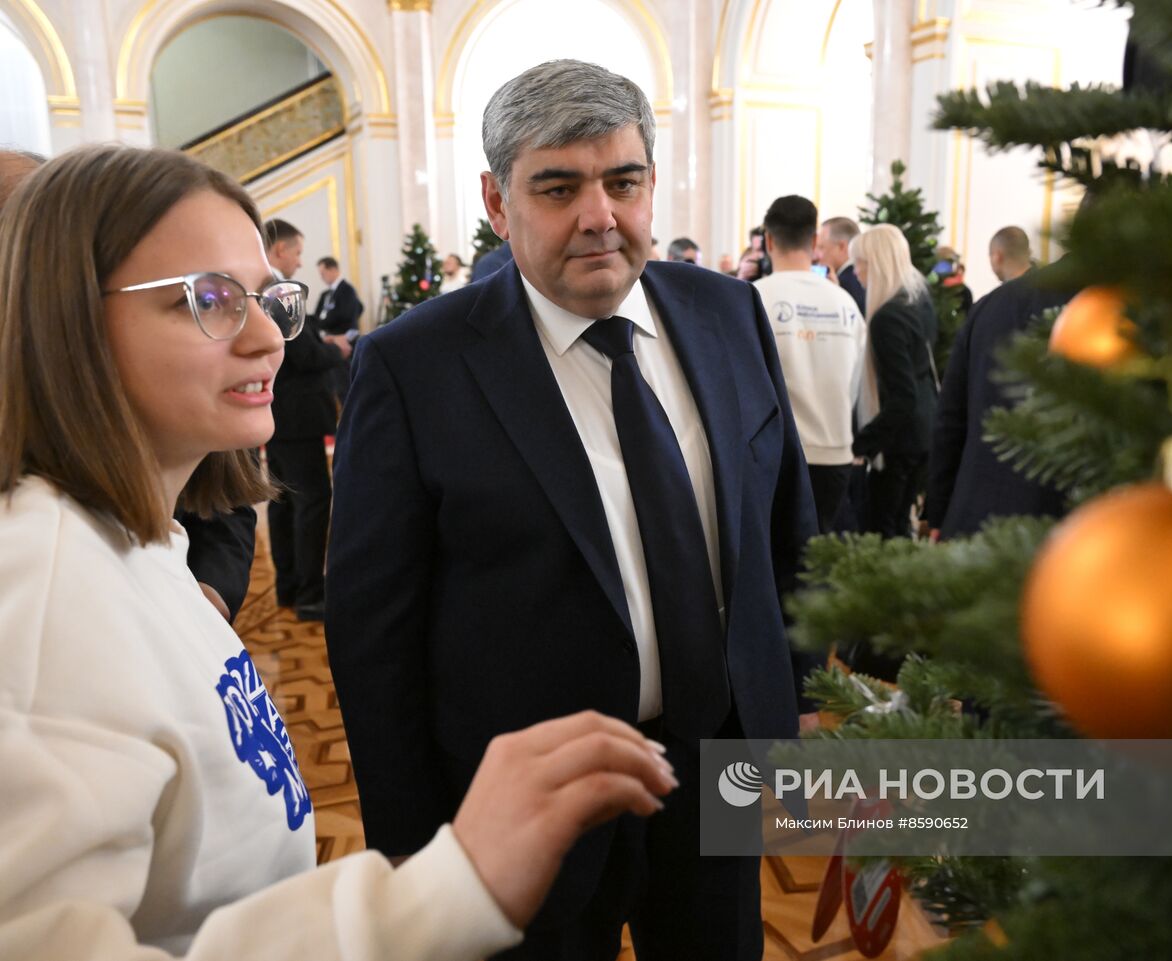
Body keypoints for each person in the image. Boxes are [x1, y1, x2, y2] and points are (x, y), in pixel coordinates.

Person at [0, 143, 675, 960]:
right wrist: (442, 888)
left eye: (266, 299)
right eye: (207, 299)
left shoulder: (133, 547)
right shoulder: (43, 586)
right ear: (65, 317)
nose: (267, 339)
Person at [326, 59, 817, 961]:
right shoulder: (413, 367)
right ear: (497, 201)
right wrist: (418, 857)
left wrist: (809, 692)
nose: (600, 215)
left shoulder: (728, 312)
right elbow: (373, 635)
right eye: (559, 186)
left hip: (723, 767)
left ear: (650, 186)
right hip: (527, 809)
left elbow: (785, 525)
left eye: (622, 181)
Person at [1, 146, 259, 623]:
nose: (267, 338)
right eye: (203, 299)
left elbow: (220, 498)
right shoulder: (43, 575)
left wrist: (197, 596)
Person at [924, 226, 1073, 540]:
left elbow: (951, 417)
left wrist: (938, 510)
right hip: (1079, 534)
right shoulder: (1146, 313)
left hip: (979, 517)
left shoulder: (990, 307)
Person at [753, 195, 866, 532]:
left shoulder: (752, 296)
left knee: (777, 567)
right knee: (818, 560)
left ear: (769, 240)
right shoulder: (845, 302)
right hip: (835, 453)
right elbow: (855, 382)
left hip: (776, 456)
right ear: (815, 242)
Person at [261, 219, 346, 622]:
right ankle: (312, 595)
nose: (299, 259)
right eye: (296, 251)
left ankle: (289, 587)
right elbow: (306, 356)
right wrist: (338, 351)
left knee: (282, 504)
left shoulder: (259, 285)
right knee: (312, 503)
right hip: (299, 417)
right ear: (280, 250)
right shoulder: (279, 291)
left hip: (276, 415)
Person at [849, 224, 939, 539]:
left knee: (883, 532)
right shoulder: (918, 302)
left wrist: (862, 444)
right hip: (922, 433)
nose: (855, 271)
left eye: (860, 262)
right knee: (900, 526)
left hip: (900, 441)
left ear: (876, 264)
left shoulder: (888, 317)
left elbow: (903, 397)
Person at [314, 255, 362, 402]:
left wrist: (325, 322)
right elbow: (317, 317)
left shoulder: (347, 290)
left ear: (333, 269)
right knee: (335, 383)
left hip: (344, 341)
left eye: (323, 273)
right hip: (330, 342)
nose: (322, 277)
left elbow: (347, 314)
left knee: (345, 384)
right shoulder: (326, 294)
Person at [817, 215, 866, 315]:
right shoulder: (859, 278)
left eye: (821, 247)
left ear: (841, 247)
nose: (817, 255)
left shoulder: (845, 283)